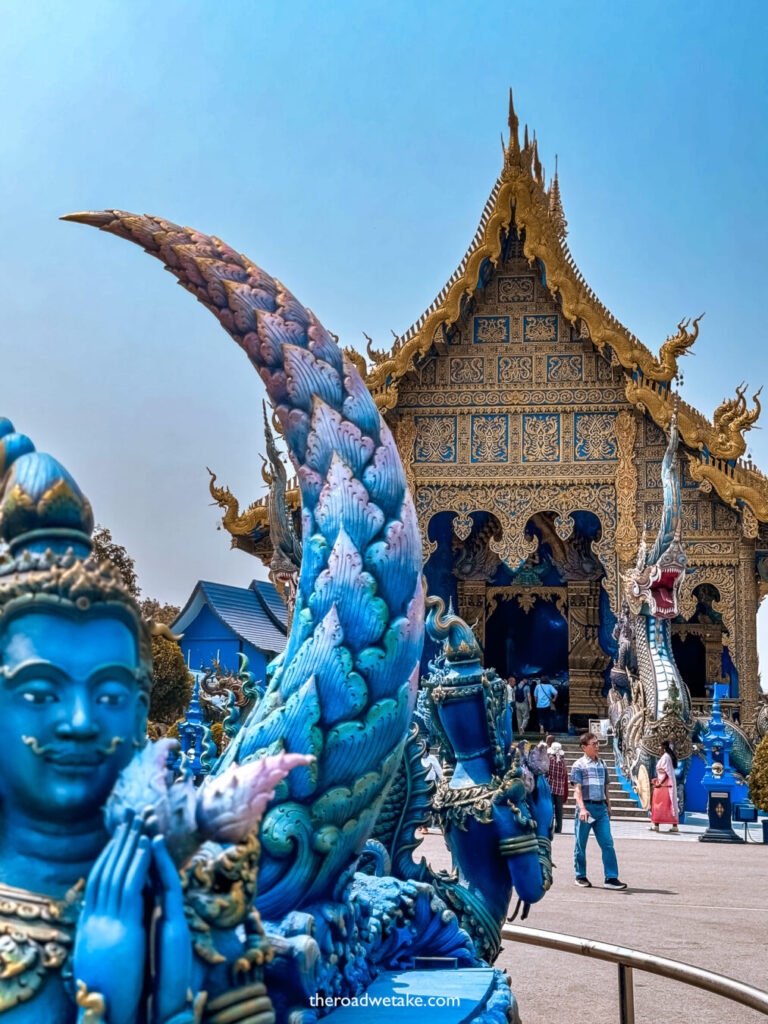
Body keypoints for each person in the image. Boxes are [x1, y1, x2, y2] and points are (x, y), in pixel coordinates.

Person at [570, 732, 627, 890]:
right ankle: (580, 875)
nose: (597, 746)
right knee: (581, 844)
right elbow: (577, 790)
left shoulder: (602, 764)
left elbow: (606, 786)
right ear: (584, 747)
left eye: (597, 743)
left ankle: (611, 878)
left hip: (600, 809)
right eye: (593, 744)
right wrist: (582, 808)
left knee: (607, 843)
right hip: (586, 810)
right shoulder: (578, 765)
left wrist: (608, 805)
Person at [650, 740, 680, 832]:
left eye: (659, 746)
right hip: (666, 785)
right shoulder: (667, 757)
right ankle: (674, 826)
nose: (658, 748)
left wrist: (659, 783)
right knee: (670, 804)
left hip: (664, 786)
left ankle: (656, 825)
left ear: (664, 747)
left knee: (658, 804)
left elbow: (666, 773)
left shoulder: (666, 757)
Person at [547, 741, 568, 834]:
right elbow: (564, 774)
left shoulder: (549, 759)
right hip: (560, 789)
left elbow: (546, 772)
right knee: (559, 810)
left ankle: (550, 827)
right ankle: (559, 828)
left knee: (550, 809)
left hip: (550, 787)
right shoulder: (563, 762)